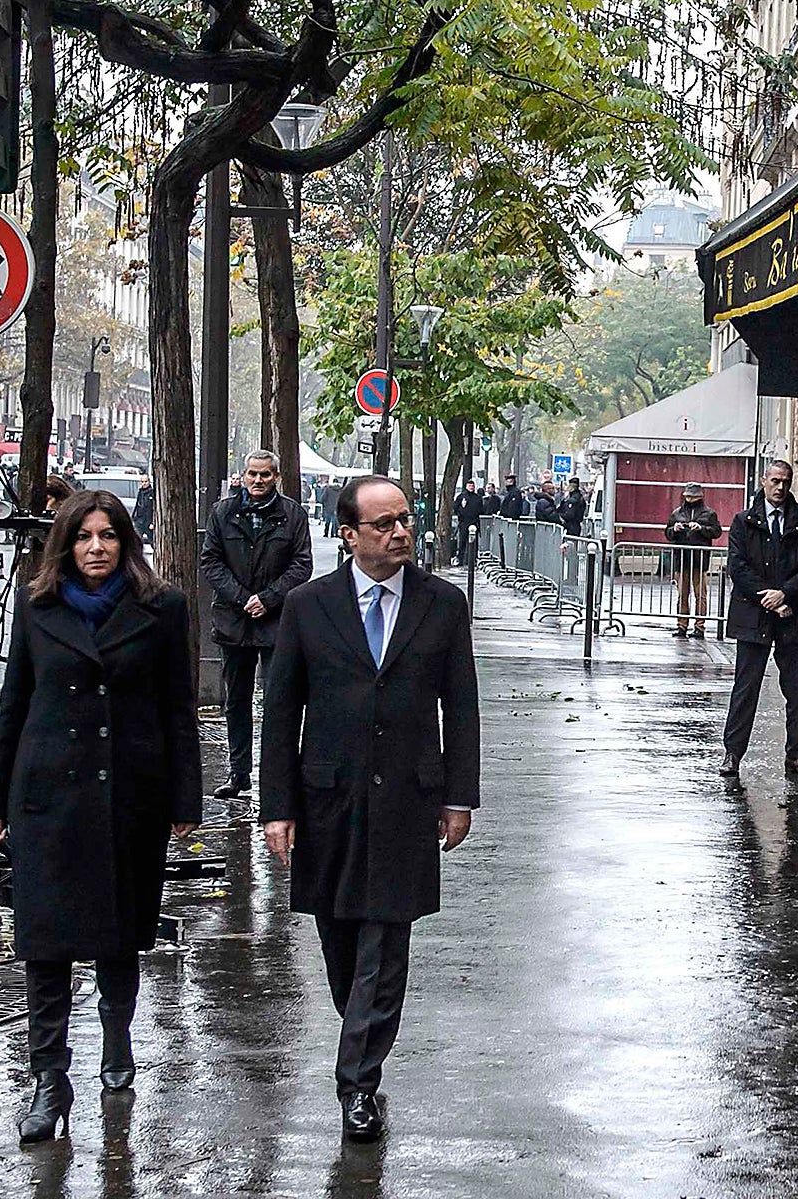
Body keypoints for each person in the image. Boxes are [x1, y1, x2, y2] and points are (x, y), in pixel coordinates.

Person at [259, 475, 482, 1142]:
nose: (400, 533)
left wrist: (459, 795)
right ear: (349, 534)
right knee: (341, 944)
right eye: (383, 524)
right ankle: (362, 1044)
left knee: (385, 945)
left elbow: (461, 705)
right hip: (328, 797)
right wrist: (277, 807)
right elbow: (279, 712)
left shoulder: (443, 605)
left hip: (410, 799)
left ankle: (357, 1085)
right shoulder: (307, 605)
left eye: (405, 520)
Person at [0, 491, 201, 1143]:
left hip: (128, 798)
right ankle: (49, 1079)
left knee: (118, 936)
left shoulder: (162, 609)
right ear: (66, 544)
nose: (97, 547)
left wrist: (184, 800)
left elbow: (177, 710)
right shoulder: (36, 605)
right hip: (47, 797)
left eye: (108, 535)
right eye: (84, 536)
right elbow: (13, 704)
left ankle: (115, 1039)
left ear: (126, 542)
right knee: (43, 946)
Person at [198, 450, 314, 801]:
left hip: (277, 622)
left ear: (276, 477)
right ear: (243, 475)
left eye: (265, 474)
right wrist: (241, 597)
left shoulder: (293, 515)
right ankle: (239, 772)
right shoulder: (223, 512)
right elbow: (211, 560)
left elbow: (301, 565)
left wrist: (269, 598)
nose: (258, 480)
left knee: (279, 699)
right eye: (252, 474)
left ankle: (278, 774)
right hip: (233, 621)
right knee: (236, 699)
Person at [720, 460, 798, 780]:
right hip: (754, 615)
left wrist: (785, 594)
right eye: (775, 481)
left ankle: (795, 754)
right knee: (745, 688)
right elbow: (737, 567)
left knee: (795, 689)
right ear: (764, 481)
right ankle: (733, 753)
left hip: (793, 615)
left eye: (786, 482)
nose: (780, 488)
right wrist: (769, 597)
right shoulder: (743, 521)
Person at [665, 481, 723, 637]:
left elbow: (717, 531)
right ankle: (682, 625)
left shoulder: (709, 514)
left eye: (693, 496)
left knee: (700, 595)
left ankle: (699, 626)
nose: (690, 499)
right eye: (688, 496)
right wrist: (674, 529)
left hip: (700, 559)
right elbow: (667, 533)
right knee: (682, 594)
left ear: (699, 496)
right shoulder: (676, 513)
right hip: (682, 559)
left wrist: (701, 529)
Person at [453, 480, 484, 567]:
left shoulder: (477, 498)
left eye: (472, 486)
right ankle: (461, 559)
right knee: (462, 542)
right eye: (469, 485)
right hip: (463, 522)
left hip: (474, 522)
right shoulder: (461, 497)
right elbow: (455, 507)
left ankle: (472, 560)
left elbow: (481, 509)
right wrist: (460, 514)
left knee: (473, 542)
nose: (471, 487)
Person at [132, 474, 156, 545]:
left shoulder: (152, 493)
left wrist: (152, 522)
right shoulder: (140, 492)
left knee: (152, 541)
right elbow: (137, 505)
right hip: (140, 520)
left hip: (148, 520)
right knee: (137, 540)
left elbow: (154, 508)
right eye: (142, 482)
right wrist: (133, 517)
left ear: (149, 482)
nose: (144, 483)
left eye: (146, 481)